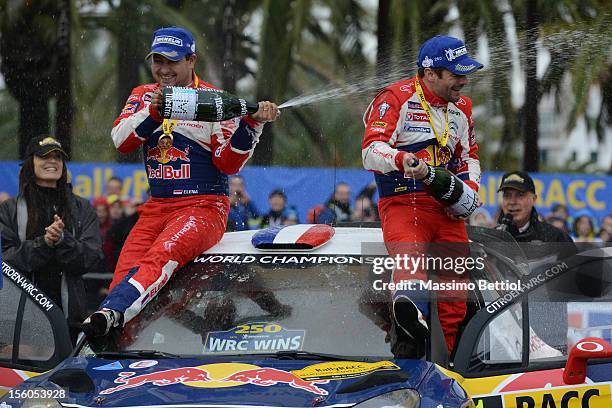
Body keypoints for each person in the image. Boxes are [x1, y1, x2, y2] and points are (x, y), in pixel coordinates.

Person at [82, 26, 280, 337]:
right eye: (157, 61)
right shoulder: (143, 95)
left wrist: (252, 126)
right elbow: (121, 141)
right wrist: (155, 112)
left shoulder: (215, 100)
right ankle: (121, 350)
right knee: (125, 280)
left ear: (191, 60)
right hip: (156, 207)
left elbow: (227, 163)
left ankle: (111, 314)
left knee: (159, 259)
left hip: (204, 206)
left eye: (171, 61)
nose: (163, 69)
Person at [361, 35, 482, 355]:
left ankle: (449, 360)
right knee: (409, 256)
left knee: (455, 293)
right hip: (403, 201)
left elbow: (469, 156)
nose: (463, 81)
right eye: (456, 74)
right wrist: (402, 160)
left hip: (446, 207)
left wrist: (468, 191)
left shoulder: (463, 106)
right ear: (431, 74)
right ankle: (410, 321)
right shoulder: (394, 98)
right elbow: (371, 151)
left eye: (464, 74)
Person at [0, 136, 103, 344]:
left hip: (69, 321)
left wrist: (62, 240)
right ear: (30, 162)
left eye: (58, 157)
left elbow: (91, 257)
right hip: (21, 323)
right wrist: (44, 243)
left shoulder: (81, 208)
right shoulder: (9, 209)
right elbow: (5, 262)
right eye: (44, 156)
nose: (52, 161)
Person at [496, 171, 576, 350]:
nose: (512, 201)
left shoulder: (555, 238)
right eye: (507, 195)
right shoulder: (492, 239)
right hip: (503, 339)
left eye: (520, 195)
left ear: (534, 199)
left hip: (549, 336)